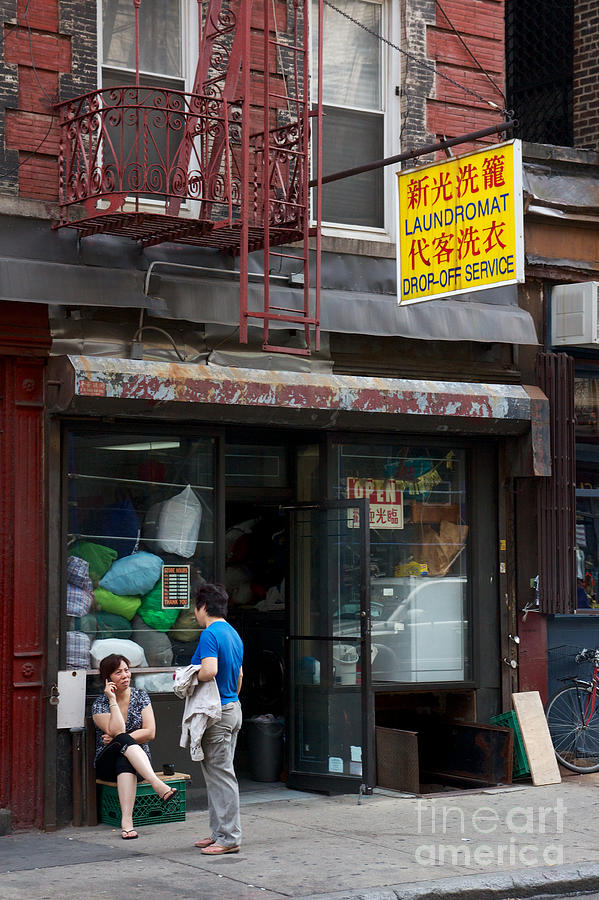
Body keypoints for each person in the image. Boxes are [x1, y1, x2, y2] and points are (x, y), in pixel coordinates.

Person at [91, 653, 177, 840]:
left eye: (127, 671)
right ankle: (157, 784)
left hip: (138, 762)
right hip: (107, 763)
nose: (125, 676)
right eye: (118, 672)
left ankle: (127, 824)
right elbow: (118, 729)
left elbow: (150, 732)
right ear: (108, 679)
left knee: (125, 756)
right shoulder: (100, 704)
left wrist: (120, 739)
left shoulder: (140, 696)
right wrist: (112, 700)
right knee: (121, 743)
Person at [191, 583, 244, 856]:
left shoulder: (210, 634)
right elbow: (239, 677)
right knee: (217, 775)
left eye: (195, 608)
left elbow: (209, 669)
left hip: (218, 714)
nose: (195, 613)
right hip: (232, 708)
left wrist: (187, 678)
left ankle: (230, 837)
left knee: (221, 777)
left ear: (203, 606)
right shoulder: (233, 634)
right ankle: (219, 833)